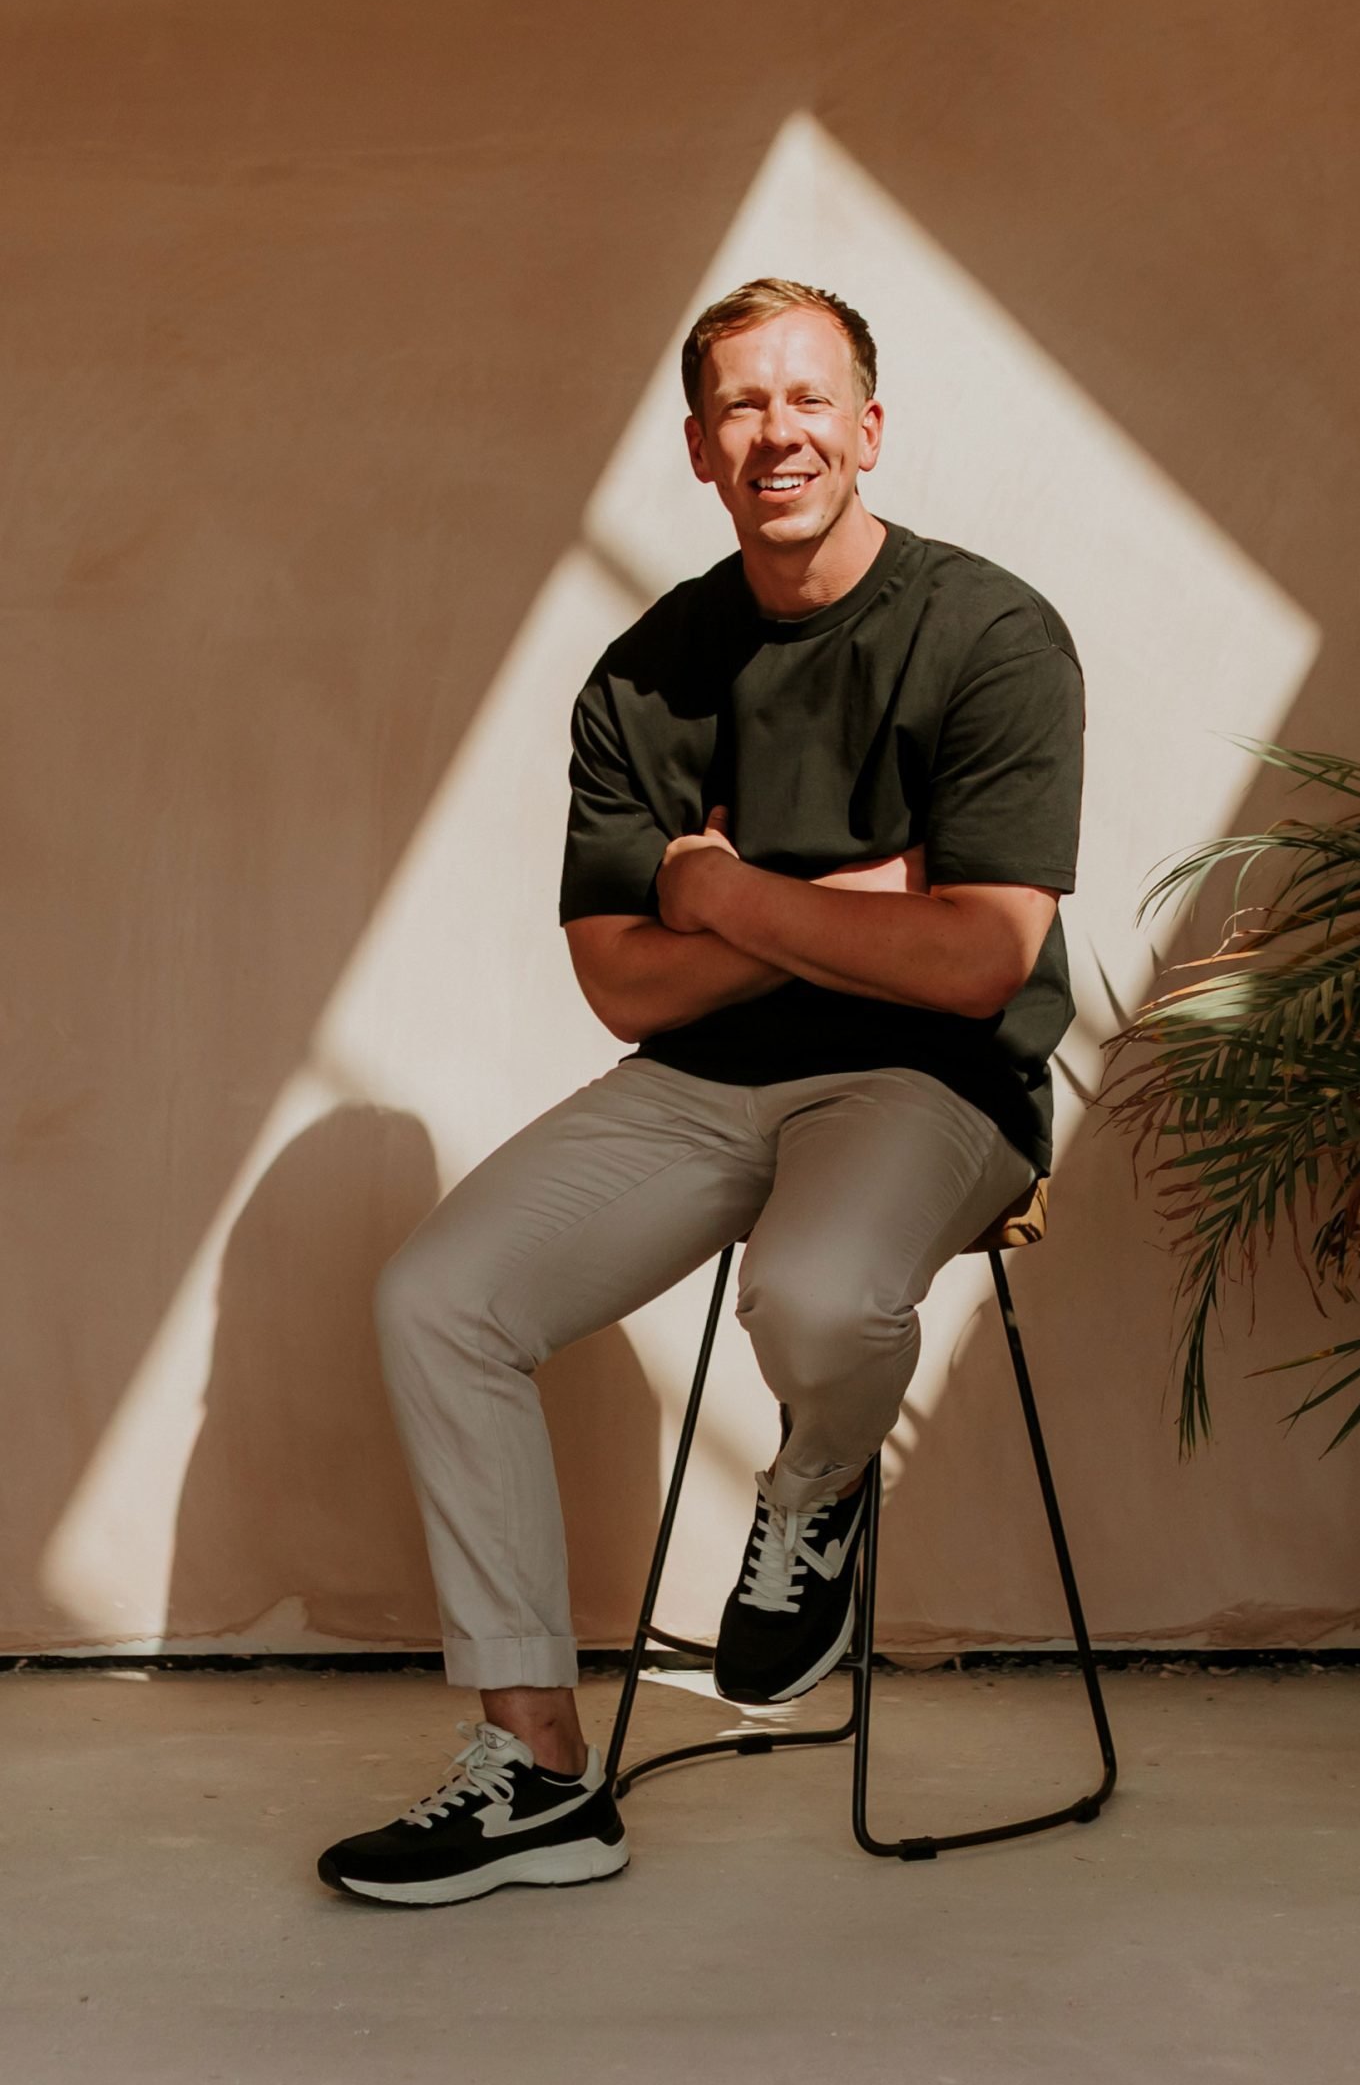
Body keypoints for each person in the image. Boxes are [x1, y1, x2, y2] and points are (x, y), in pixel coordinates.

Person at [318, 277, 1084, 1906]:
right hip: (697, 1089)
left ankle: (810, 1496)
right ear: (694, 448)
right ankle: (532, 1767)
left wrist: (729, 895)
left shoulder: (990, 635)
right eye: (740, 406)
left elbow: (973, 967)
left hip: (929, 1085)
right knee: (435, 1297)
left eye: (808, 399)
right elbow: (622, 982)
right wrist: (846, 906)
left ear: (867, 431)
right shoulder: (646, 672)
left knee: (813, 1290)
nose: (776, 431)